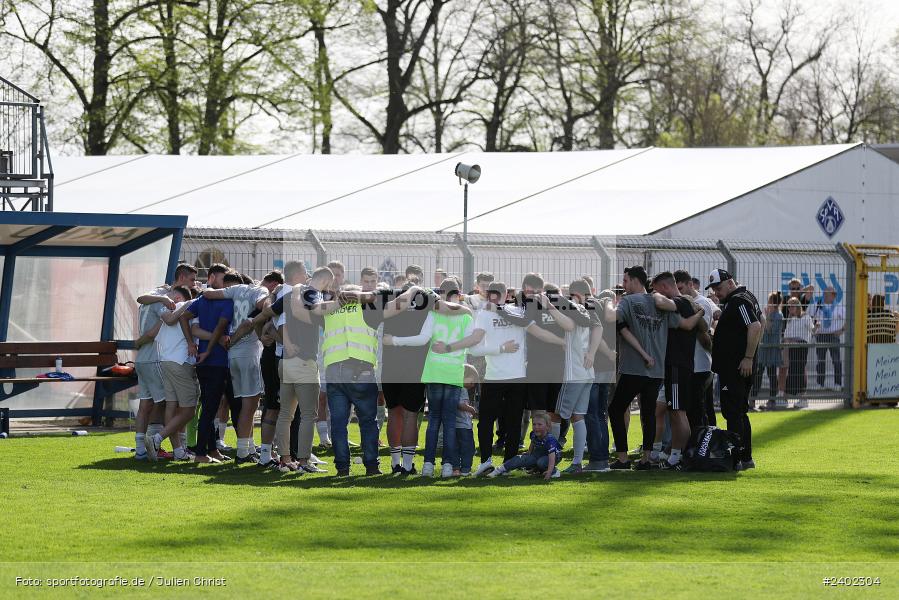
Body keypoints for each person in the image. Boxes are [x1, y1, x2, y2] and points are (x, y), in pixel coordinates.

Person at [608, 266, 703, 470]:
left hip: (633, 367)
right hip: (657, 370)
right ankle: (646, 458)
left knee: (616, 409)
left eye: (625, 281)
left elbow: (614, 319)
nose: (623, 286)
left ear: (635, 281)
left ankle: (623, 458)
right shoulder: (658, 303)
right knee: (649, 413)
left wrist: (603, 308)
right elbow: (685, 325)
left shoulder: (628, 301)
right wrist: (700, 313)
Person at [383, 279, 479, 477]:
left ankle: (400, 463)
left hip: (400, 367)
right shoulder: (431, 305)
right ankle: (414, 466)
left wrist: (392, 341)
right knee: (417, 416)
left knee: (397, 414)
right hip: (425, 368)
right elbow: (453, 317)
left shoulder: (392, 303)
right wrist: (465, 310)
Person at [201, 273, 270, 463]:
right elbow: (264, 304)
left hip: (232, 355)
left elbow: (208, 294)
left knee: (243, 405)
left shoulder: (236, 290)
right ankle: (242, 453)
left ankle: (246, 448)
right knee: (249, 406)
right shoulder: (259, 291)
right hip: (248, 351)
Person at [467, 281, 531, 476]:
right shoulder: (491, 313)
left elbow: (474, 348)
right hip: (502, 376)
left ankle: (494, 461)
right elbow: (474, 347)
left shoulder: (511, 312)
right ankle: (495, 463)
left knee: (494, 421)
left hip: (508, 376)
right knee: (506, 421)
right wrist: (501, 349)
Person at [650, 272, 709, 470]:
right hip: (676, 365)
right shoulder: (686, 303)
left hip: (677, 365)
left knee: (678, 412)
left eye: (656, 289)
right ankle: (675, 455)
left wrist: (654, 296)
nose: (655, 294)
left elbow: (662, 303)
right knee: (674, 411)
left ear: (665, 287)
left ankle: (680, 456)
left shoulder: (680, 302)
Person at [708, 268, 763, 471]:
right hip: (738, 366)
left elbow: (755, 326)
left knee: (733, 413)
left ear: (730, 282)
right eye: (713, 289)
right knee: (739, 412)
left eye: (719, 287)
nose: (716, 292)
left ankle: (736, 459)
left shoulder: (738, 300)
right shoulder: (746, 296)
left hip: (736, 368)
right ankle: (745, 458)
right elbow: (761, 323)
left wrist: (748, 357)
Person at [380, 277, 433, 475]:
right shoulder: (427, 306)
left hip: (391, 367)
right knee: (411, 415)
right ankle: (408, 465)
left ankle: (395, 463)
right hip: (416, 367)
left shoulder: (390, 306)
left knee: (393, 412)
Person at [182, 265, 233, 463]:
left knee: (209, 406)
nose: (225, 285)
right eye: (223, 280)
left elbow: (185, 318)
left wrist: (191, 342)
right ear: (212, 278)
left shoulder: (204, 299)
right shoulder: (223, 300)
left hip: (205, 360)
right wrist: (208, 346)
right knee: (210, 408)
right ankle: (201, 453)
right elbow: (220, 326)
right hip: (215, 360)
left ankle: (212, 450)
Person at [144, 286, 200, 461]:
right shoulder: (184, 305)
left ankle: (178, 451)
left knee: (172, 406)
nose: (165, 297)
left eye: (168, 295)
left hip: (167, 361)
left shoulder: (166, 309)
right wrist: (190, 302)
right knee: (189, 410)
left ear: (176, 296)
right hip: (180, 362)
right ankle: (157, 438)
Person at [558, 279, 602, 475]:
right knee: (579, 417)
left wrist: (551, 306)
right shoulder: (590, 309)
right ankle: (576, 463)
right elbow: (598, 327)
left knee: (557, 415)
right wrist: (592, 353)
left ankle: (548, 459)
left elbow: (567, 326)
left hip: (574, 371)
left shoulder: (575, 308)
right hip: (587, 371)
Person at [674, 270, 716, 428]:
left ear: (690, 284)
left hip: (699, 365)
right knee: (692, 409)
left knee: (699, 411)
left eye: (682, 288)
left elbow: (702, 332)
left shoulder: (702, 302)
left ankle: (703, 445)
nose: (680, 293)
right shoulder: (681, 301)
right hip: (689, 364)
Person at [583, 286, 618, 472]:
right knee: (600, 414)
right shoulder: (606, 305)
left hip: (595, 366)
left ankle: (598, 459)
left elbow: (597, 333)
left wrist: (607, 353)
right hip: (606, 367)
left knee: (592, 414)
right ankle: (601, 458)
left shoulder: (589, 306)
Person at [487, 413, 562, 480]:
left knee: (541, 462)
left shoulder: (549, 439)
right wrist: (529, 452)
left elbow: (552, 458)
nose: (536, 427)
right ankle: (499, 470)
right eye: (534, 424)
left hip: (553, 456)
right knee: (520, 458)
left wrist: (549, 472)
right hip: (539, 454)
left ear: (547, 427)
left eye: (539, 424)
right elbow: (533, 442)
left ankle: (554, 471)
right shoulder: (533, 434)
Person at [809, 286, 844, 390]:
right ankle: (820, 384)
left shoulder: (839, 307)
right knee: (821, 361)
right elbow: (810, 318)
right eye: (824, 293)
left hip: (833, 336)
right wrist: (814, 328)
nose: (824, 295)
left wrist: (841, 331)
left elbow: (848, 320)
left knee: (836, 361)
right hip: (821, 336)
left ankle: (838, 384)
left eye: (827, 294)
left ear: (833, 295)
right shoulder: (818, 306)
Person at [756, 292, 784, 410]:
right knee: (758, 374)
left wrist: (766, 317)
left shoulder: (778, 315)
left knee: (772, 375)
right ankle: (752, 399)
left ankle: (772, 400)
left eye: (770, 301)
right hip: (763, 349)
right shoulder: (769, 314)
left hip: (772, 349)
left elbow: (771, 330)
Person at [784, 297, 813, 407]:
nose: (790, 308)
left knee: (800, 371)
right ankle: (786, 398)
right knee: (792, 371)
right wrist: (787, 341)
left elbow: (812, 330)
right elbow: (787, 334)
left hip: (801, 348)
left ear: (798, 306)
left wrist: (817, 326)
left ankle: (802, 399)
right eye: (789, 306)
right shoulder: (790, 319)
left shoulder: (806, 317)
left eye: (792, 306)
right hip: (792, 348)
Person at [456, 364, 480, 476]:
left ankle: (456, 468)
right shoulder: (462, 390)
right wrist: (471, 409)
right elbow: (460, 404)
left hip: (458, 425)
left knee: (457, 448)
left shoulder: (457, 389)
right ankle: (465, 469)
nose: (473, 384)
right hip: (464, 426)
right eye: (472, 380)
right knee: (468, 448)